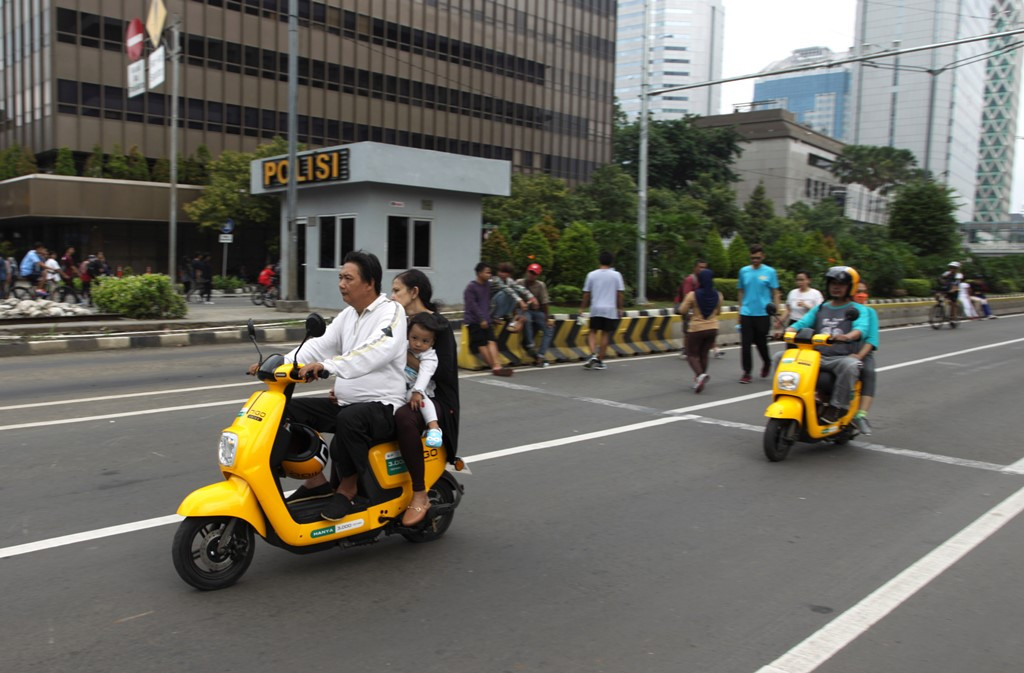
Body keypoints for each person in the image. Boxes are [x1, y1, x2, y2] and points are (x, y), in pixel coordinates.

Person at [254, 250, 408, 522]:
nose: (341, 284)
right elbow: (317, 345)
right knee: (284, 411)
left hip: (383, 408)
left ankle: (347, 490)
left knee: (350, 418)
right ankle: (316, 483)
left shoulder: (392, 312)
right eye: (340, 278)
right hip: (347, 404)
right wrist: (276, 364)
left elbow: (377, 349)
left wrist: (329, 366)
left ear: (369, 283)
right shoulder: (348, 316)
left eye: (348, 278)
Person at [391, 269, 460, 526]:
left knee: (405, 418)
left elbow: (441, 372)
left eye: (397, 290)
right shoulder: (400, 322)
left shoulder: (437, 326)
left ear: (414, 292)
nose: (392, 295)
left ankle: (419, 494)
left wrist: (402, 354)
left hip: (435, 397)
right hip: (403, 389)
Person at [786, 266, 871, 424]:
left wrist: (847, 336)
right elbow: (803, 322)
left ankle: (838, 406)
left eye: (841, 284)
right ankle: (792, 398)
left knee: (851, 365)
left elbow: (861, 329)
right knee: (783, 357)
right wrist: (788, 330)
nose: (836, 287)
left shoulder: (858, 309)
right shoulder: (821, 308)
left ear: (850, 287)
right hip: (815, 356)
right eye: (832, 283)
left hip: (839, 358)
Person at [737, 244, 782, 383]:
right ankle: (746, 372)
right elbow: (740, 291)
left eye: (757, 257)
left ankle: (767, 362)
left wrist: (777, 312)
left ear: (763, 256)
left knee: (761, 342)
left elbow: (775, 292)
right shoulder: (743, 271)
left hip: (763, 313)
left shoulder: (770, 272)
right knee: (745, 344)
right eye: (752, 258)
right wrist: (740, 309)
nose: (755, 260)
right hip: (747, 313)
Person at [676, 268, 723, 393]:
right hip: (713, 328)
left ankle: (700, 375)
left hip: (696, 328)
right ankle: (699, 380)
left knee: (691, 354)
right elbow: (718, 312)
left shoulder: (693, 295)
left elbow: (682, 310)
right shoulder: (718, 295)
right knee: (704, 354)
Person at [402, 312, 445, 448]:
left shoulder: (430, 356)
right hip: (399, 387)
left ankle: (434, 427)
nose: (418, 344)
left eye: (425, 341)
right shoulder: (403, 346)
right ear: (407, 335)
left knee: (422, 401)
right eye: (414, 338)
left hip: (417, 389)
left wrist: (418, 391)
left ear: (432, 342)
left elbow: (425, 373)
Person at [464, 262, 514, 376]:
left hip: (487, 319)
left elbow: (489, 302)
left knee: (492, 341)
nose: (489, 275)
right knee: (482, 343)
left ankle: (497, 366)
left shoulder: (488, 285)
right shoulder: (471, 287)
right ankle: (494, 366)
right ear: (479, 273)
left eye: (490, 272)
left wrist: (489, 318)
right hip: (474, 321)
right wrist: (481, 319)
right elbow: (473, 305)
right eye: (487, 272)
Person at [580, 251, 625, 370]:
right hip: (610, 309)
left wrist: (582, 308)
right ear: (611, 262)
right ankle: (600, 360)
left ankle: (592, 354)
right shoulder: (616, 275)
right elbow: (620, 294)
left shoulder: (591, 275)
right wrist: (620, 308)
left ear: (599, 261)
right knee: (605, 333)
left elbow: (586, 294)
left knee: (592, 331)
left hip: (595, 308)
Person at [850, 280, 879, 435]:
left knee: (869, 372)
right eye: (858, 291)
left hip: (862, 352)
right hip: (839, 351)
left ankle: (860, 415)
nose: (861, 295)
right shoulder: (840, 309)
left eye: (864, 291)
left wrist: (859, 356)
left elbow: (872, 340)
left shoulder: (869, 313)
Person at [517, 262, 554, 367]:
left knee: (549, 328)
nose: (531, 275)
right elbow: (513, 297)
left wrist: (547, 319)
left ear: (537, 275)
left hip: (536, 311)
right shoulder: (519, 283)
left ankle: (541, 355)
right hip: (522, 310)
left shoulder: (540, 285)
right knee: (527, 318)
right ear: (527, 272)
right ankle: (530, 345)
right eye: (530, 272)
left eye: (534, 273)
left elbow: (545, 303)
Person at [489, 261, 534, 333]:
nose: (502, 274)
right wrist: (520, 301)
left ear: (509, 274)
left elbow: (519, 288)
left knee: (515, 291)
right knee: (505, 293)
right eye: (500, 271)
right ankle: (496, 317)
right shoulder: (495, 279)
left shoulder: (509, 281)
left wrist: (531, 297)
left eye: (505, 272)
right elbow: (506, 289)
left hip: (501, 305)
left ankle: (507, 314)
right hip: (491, 305)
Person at [675, 260, 707, 357]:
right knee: (688, 326)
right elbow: (686, 297)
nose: (702, 270)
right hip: (684, 304)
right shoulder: (690, 279)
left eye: (704, 267)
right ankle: (685, 349)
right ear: (695, 268)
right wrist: (691, 311)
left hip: (696, 305)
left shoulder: (703, 280)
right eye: (700, 267)